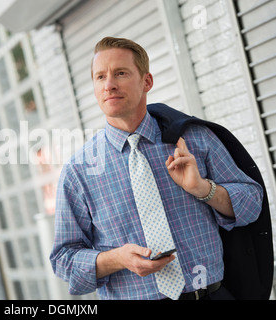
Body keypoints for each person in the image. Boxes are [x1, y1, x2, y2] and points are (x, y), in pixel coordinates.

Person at [49, 37, 264, 300]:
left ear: (146, 81)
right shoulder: (79, 171)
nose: (109, 85)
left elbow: (253, 203)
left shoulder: (195, 139)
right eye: (100, 77)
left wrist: (203, 189)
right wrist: (117, 259)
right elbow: (63, 259)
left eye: (121, 73)